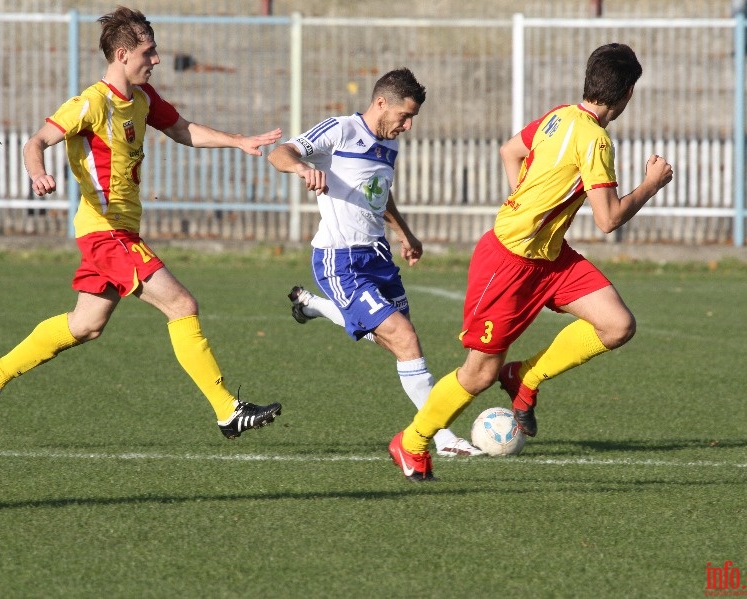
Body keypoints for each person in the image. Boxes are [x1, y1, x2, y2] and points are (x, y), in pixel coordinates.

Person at [0, 6, 284, 439]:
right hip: (105, 232)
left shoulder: (142, 99)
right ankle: (228, 410)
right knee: (182, 305)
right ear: (121, 54)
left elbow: (182, 129)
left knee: (86, 325)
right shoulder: (91, 103)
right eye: (148, 53)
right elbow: (35, 140)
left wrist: (238, 141)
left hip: (121, 232)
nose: (155, 60)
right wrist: (38, 171)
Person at [389, 43, 674, 481]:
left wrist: (522, 201)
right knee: (479, 373)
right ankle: (411, 441)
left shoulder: (559, 114)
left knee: (616, 325)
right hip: (508, 262)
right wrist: (651, 184)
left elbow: (509, 151)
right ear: (628, 94)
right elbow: (608, 219)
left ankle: (525, 376)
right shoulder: (595, 140)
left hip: (550, 257)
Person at [268, 68, 482, 458]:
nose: (408, 125)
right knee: (404, 338)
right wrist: (301, 168)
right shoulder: (341, 130)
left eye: (412, 117)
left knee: (396, 340)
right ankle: (443, 438)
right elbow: (280, 152)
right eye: (404, 115)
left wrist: (405, 232)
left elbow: (379, 193)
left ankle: (313, 306)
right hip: (341, 260)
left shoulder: (390, 145)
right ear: (381, 103)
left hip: (379, 257)